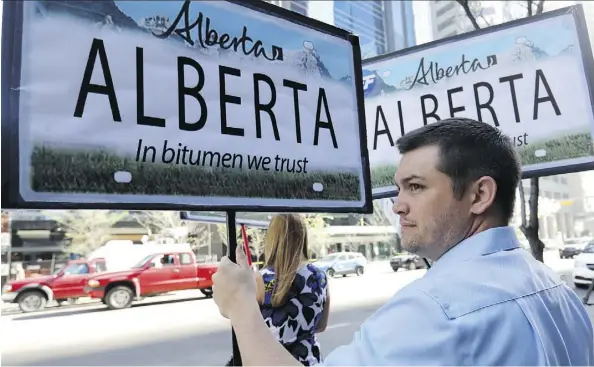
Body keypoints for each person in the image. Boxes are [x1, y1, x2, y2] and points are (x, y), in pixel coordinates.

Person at [212, 118, 593, 366]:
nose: (396, 205)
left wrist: (242, 306)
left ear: (479, 196)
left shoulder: (435, 308)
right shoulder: (558, 290)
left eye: (415, 187)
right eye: (398, 188)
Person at [224, 214, 330, 366]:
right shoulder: (320, 277)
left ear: (273, 239)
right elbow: (321, 325)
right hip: (310, 361)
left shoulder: (262, 280)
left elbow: (243, 324)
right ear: (303, 237)